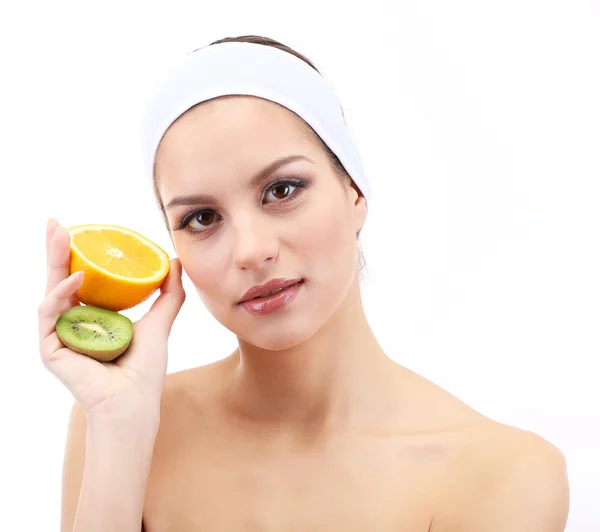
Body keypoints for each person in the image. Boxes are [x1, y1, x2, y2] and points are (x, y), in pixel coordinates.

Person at [39, 35, 570, 532]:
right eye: (202, 218)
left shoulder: (504, 475)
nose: (250, 250)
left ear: (355, 191)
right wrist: (120, 429)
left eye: (283, 189)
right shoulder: (116, 431)